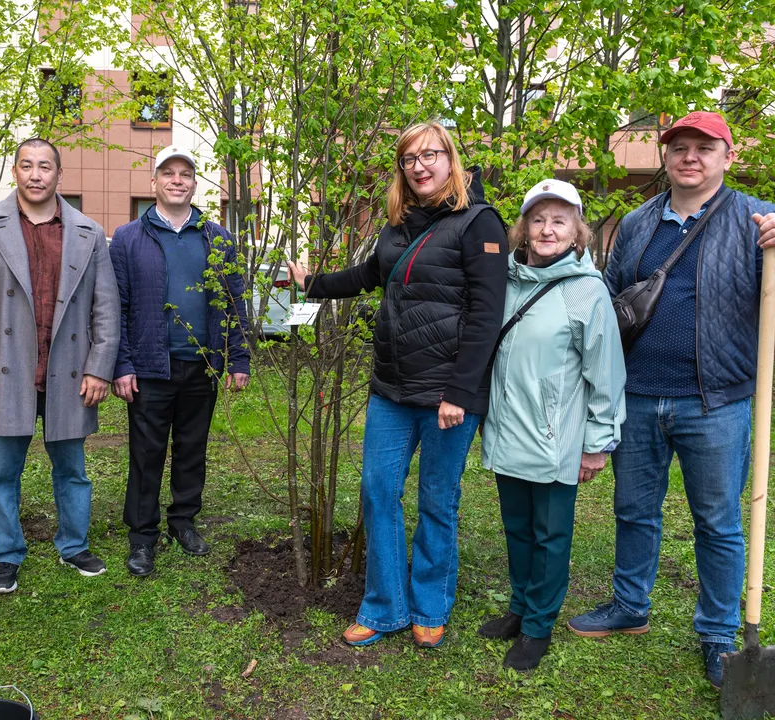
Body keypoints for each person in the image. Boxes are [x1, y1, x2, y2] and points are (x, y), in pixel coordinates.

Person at [567, 111, 775, 689]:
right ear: (666, 156)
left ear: (728, 157)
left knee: (717, 522)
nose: (690, 157)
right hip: (637, 396)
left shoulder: (758, 219)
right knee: (634, 509)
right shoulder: (637, 222)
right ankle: (629, 605)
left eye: (704, 148)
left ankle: (719, 633)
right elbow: (610, 297)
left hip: (716, 400)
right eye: (679, 147)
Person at [288, 121, 508, 649]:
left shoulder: (479, 222)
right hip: (391, 388)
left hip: (448, 395)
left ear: (450, 159)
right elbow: (369, 274)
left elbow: (487, 315)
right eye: (409, 159)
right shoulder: (397, 224)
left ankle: (430, 606)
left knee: (437, 499)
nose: (419, 166)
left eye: (429, 155)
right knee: (378, 491)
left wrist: (459, 392)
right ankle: (385, 606)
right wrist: (312, 283)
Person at [0, 137, 120, 594]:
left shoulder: (88, 231)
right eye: (26, 165)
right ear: (15, 172)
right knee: (2, 473)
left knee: (73, 470)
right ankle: (6, 554)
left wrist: (99, 367)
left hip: (70, 369)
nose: (36, 174)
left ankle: (74, 545)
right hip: (5, 368)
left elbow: (106, 308)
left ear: (59, 174)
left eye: (45, 166)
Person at [478, 179, 626, 670]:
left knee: (549, 536)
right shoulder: (505, 281)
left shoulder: (587, 291)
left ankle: (538, 626)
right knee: (517, 530)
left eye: (559, 221)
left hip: (555, 439)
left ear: (577, 231)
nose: (547, 229)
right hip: (508, 430)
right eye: (538, 220)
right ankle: (519, 609)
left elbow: (605, 372)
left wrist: (597, 443)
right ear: (523, 228)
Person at [109, 145, 250, 578]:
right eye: (168, 173)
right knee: (146, 452)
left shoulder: (217, 239)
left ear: (194, 183)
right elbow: (116, 307)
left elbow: (235, 302)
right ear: (153, 181)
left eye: (185, 174)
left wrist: (238, 357)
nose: (176, 180)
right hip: (150, 365)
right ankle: (142, 536)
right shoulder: (128, 238)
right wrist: (121, 364)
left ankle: (183, 521)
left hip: (201, 364)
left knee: (192, 448)